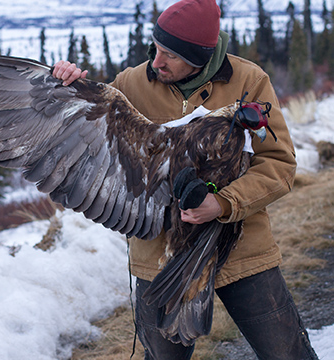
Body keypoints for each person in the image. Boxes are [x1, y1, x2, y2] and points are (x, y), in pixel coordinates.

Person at [53, 0, 319, 358]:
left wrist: (223, 204)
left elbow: (279, 163)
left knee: (288, 353)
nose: (157, 61)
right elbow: (83, 125)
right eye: (156, 47)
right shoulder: (131, 84)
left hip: (242, 248)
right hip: (161, 257)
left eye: (171, 55)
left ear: (202, 57)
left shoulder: (249, 81)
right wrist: (63, 85)